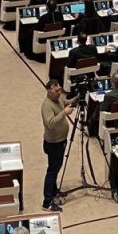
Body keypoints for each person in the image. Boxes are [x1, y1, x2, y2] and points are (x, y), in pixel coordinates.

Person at [41, 80, 73, 212]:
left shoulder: (58, 99)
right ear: (49, 91)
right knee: (52, 171)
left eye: (60, 89)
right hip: (53, 144)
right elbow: (50, 124)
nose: (59, 92)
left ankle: (54, 192)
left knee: (54, 169)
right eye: (56, 90)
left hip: (60, 141)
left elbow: (67, 102)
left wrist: (78, 97)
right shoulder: (47, 106)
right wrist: (64, 113)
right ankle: (47, 202)